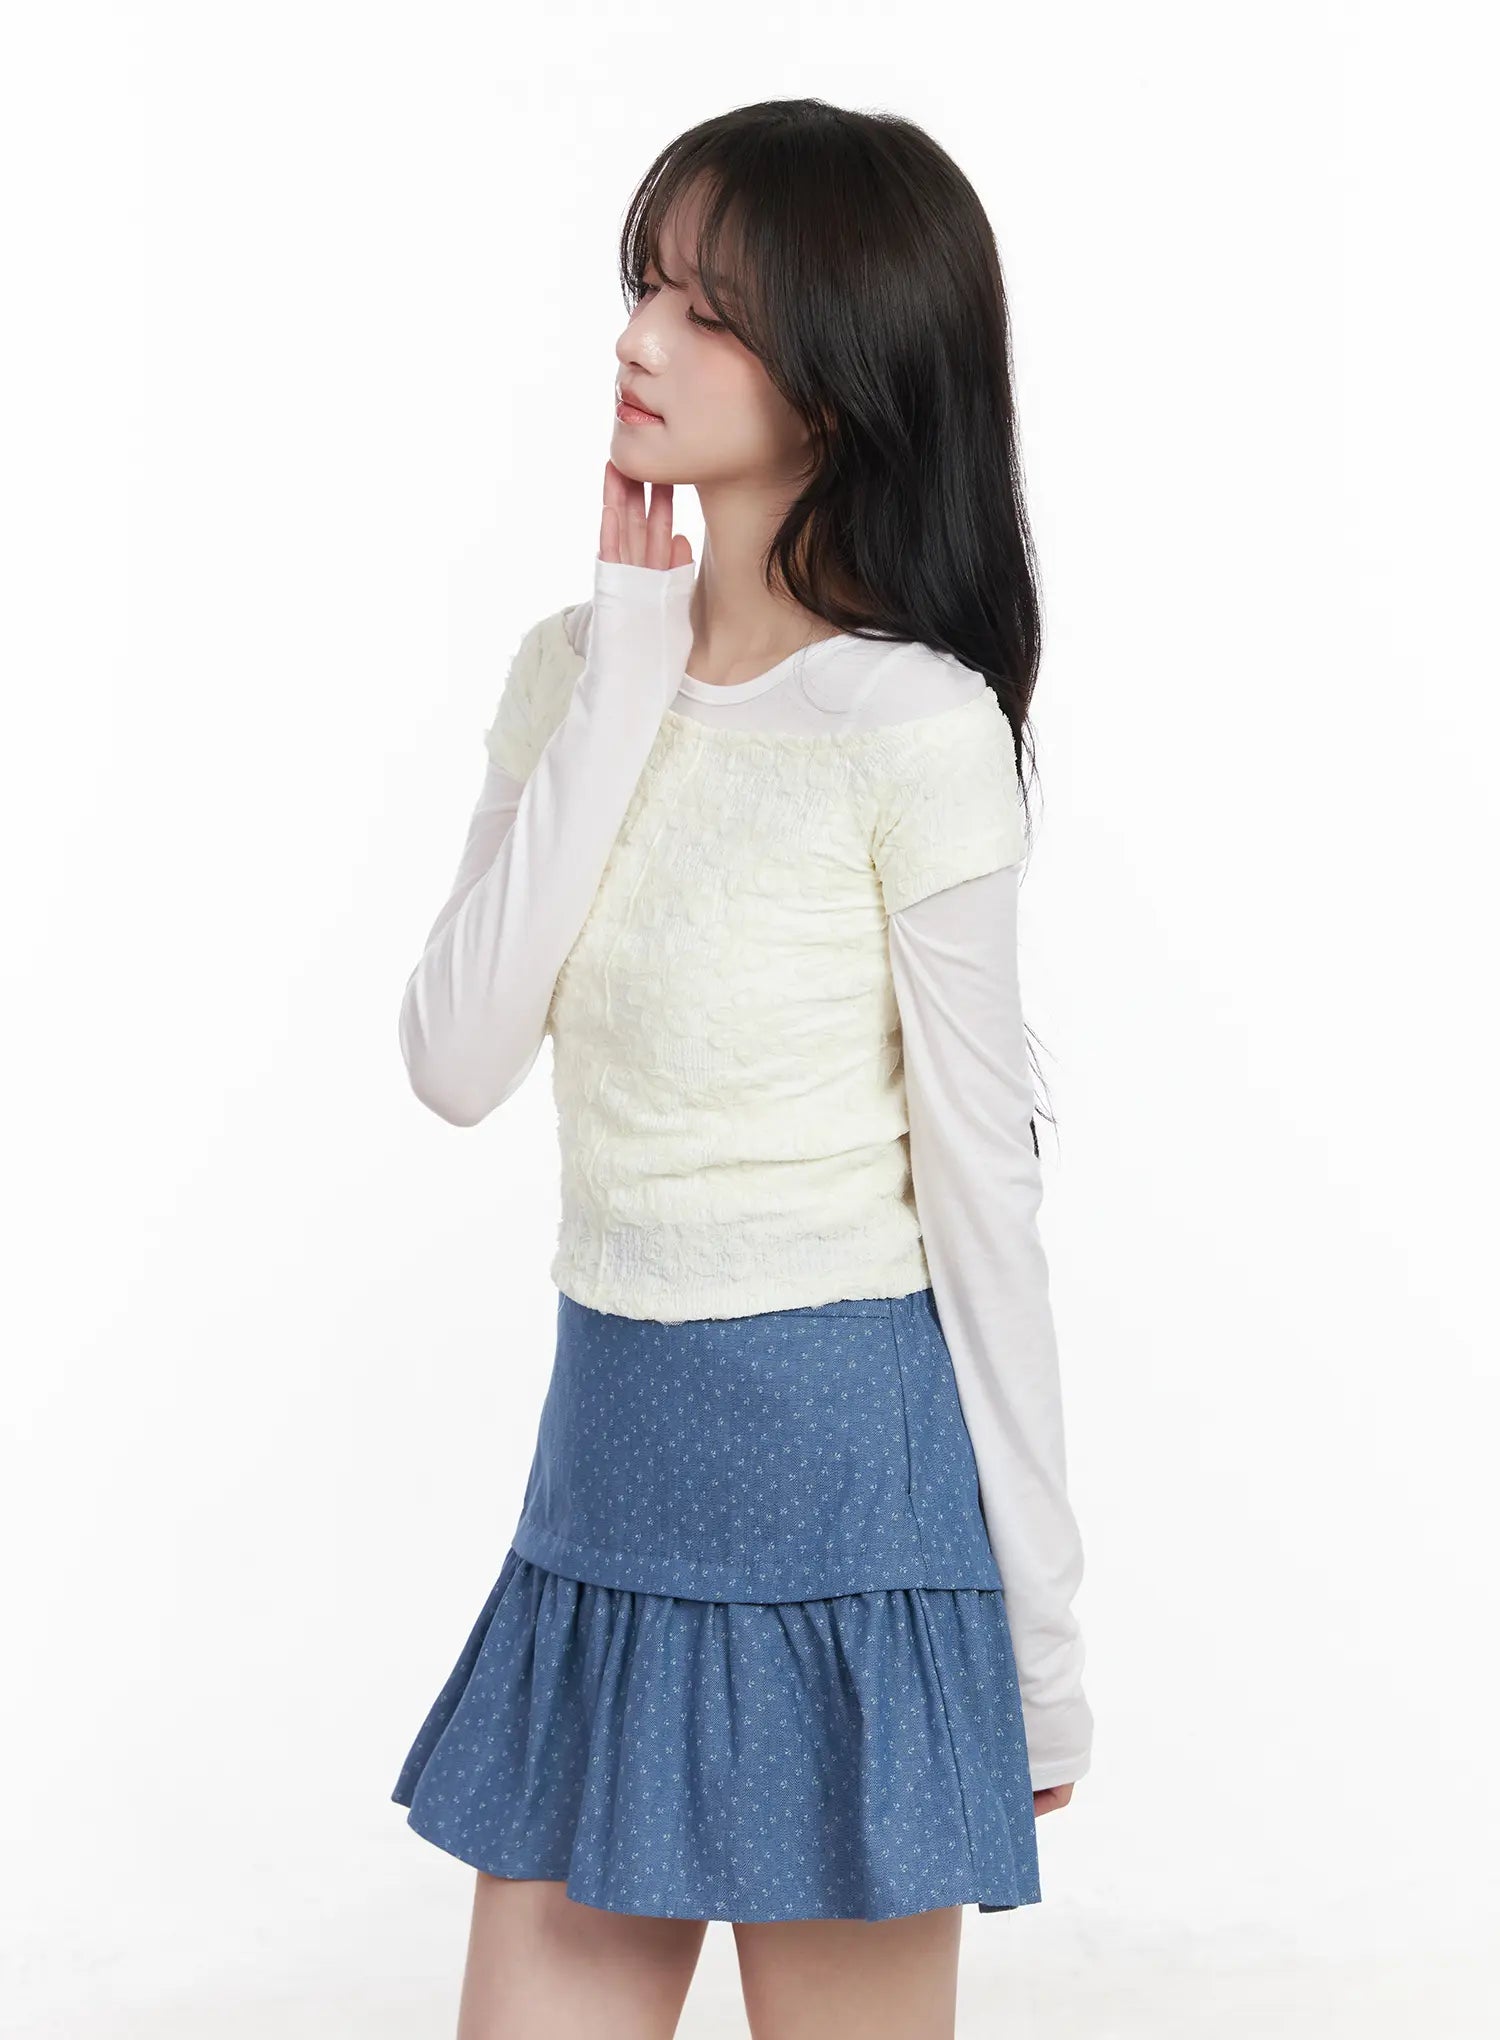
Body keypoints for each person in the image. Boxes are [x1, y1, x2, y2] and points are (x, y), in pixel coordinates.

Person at [390, 98, 1093, 2040]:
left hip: (846, 1507)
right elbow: (454, 1054)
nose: (640, 337)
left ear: (844, 376)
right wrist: (627, 670)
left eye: (710, 309)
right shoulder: (575, 669)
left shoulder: (911, 727)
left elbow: (986, 1199)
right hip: (606, 1474)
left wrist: (1040, 1645)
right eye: (645, 284)